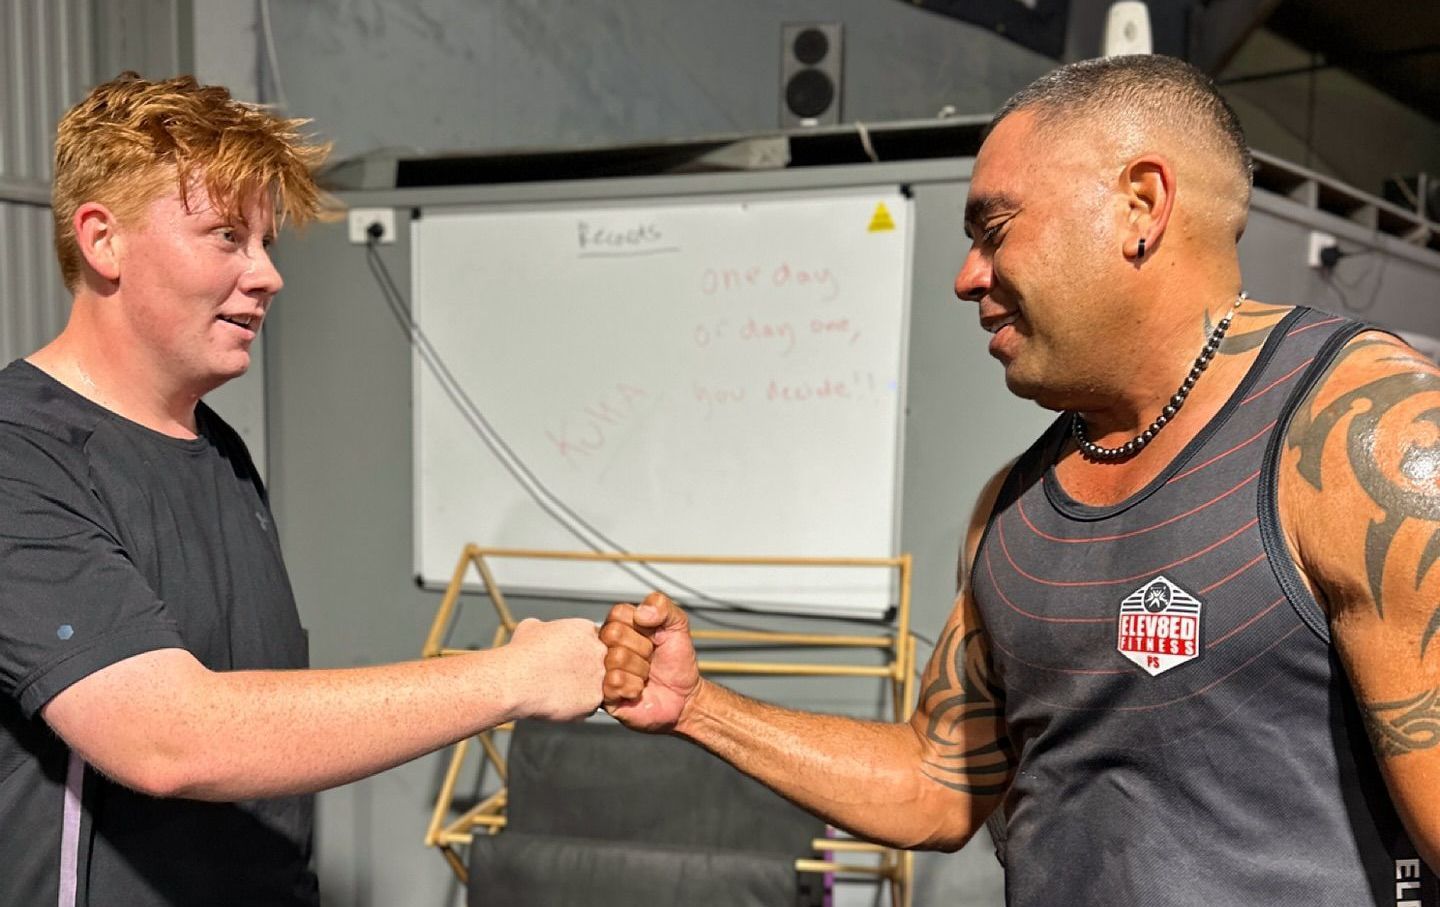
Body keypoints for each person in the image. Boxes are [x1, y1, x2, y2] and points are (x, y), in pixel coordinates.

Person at [601, 54, 1439, 905]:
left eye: (994, 229)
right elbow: (937, 778)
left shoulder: (1365, 439)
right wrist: (698, 705)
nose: (968, 276)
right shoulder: (1013, 511)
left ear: (1139, 207)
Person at [0, 72, 606, 905]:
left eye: (266, 241)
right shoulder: (20, 456)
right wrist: (512, 678)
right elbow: (170, 736)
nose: (268, 275)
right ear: (104, 241)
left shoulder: (221, 453)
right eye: (225, 236)